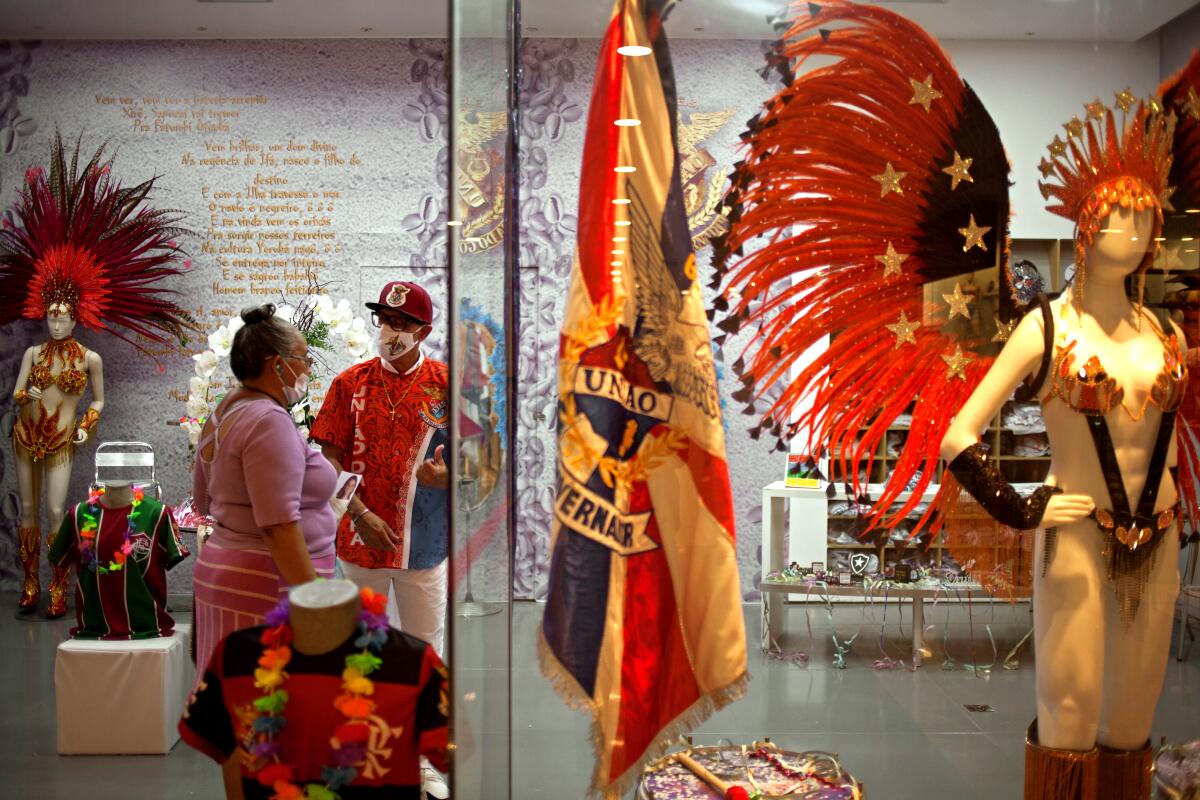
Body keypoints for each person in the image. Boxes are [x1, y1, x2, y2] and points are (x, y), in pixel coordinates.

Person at [941, 100, 1189, 799]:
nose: (1135, 232)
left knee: (1133, 721)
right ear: (1085, 229)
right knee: (1070, 716)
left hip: (1162, 535)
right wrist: (1019, 509)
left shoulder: (1163, 334)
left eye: (1146, 218)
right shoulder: (1046, 328)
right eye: (1120, 216)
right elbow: (956, 435)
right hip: (1075, 531)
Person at [0, 133, 194, 618]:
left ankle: (60, 585)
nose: (57, 321)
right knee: (26, 511)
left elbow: (98, 401)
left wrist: (87, 422)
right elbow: (18, 392)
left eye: (64, 314)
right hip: (26, 436)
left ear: (78, 314)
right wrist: (23, 395)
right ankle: (29, 583)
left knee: (54, 512)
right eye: (51, 314)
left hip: (64, 440)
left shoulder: (90, 359)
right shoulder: (33, 352)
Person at [309, 281, 449, 799]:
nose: (390, 333)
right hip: (360, 545)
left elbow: (483, 458)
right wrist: (360, 512)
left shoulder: (446, 385)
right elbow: (328, 455)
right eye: (384, 321)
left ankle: (420, 759)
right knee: (360, 652)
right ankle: (358, 758)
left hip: (424, 544)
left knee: (421, 653)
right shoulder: (349, 384)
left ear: (424, 332)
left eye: (402, 325)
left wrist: (448, 474)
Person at [190, 304, 338, 693]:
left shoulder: (222, 412)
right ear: (278, 365)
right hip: (265, 587)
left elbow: (203, 503)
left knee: (236, 712)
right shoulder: (268, 421)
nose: (307, 368)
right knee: (266, 714)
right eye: (304, 358)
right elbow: (277, 525)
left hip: (229, 573)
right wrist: (318, 602)